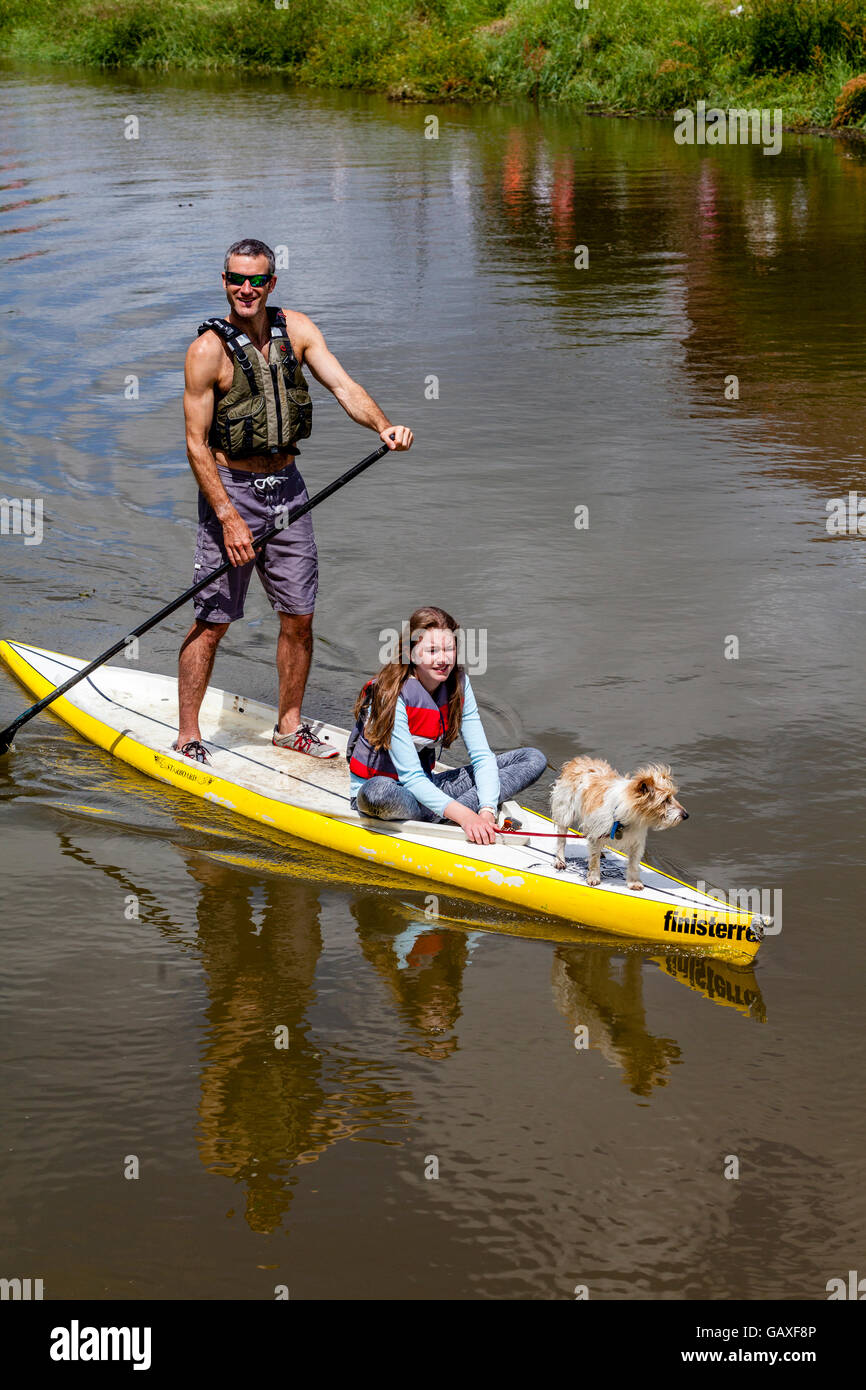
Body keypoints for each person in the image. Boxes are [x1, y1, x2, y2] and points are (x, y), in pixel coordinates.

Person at [175, 237, 413, 763]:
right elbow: (195, 445)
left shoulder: (298, 330)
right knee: (213, 619)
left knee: (299, 617)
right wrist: (228, 518)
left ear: (271, 284)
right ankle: (188, 733)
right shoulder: (206, 351)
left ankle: (289, 727)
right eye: (236, 278)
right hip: (230, 492)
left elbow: (344, 386)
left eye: (256, 280)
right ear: (224, 281)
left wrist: (383, 425)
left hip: (288, 490)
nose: (245, 289)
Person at [347, 606, 547, 844]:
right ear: (411, 654)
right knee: (376, 793)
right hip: (388, 794)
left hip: (427, 788)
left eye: (449, 649)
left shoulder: (459, 685)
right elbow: (410, 777)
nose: (443, 659)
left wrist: (486, 810)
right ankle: (444, 813)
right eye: (432, 651)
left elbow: (482, 757)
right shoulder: (391, 694)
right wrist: (465, 816)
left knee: (532, 759)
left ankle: (440, 813)